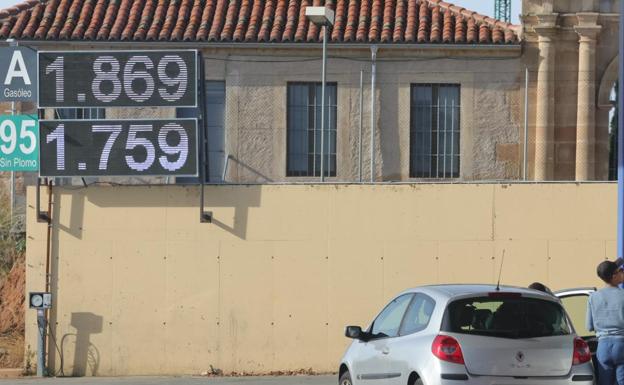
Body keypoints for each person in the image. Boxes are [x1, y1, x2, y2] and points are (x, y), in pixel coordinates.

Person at [586, 260, 624, 385]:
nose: (622, 273)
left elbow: (589, 326)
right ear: (614, 276)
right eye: (620, 271)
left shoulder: (593, 297)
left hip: (603, 346)